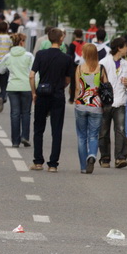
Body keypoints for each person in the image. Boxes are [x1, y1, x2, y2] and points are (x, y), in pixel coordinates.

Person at [29, 28, 73, 172]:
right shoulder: (66, 58)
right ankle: (53, 164)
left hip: (42, 93)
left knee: (38, 128)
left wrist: (34, 92)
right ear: (61, 39)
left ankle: (38, 161)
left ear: (48, 39)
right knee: (56, 129)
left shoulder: (41, 54)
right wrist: (61, 85)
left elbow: (31, 75)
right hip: (58, 95)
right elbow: (68, 79)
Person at [74, 42, 108, 174]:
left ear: (84, 54)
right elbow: (106, 86)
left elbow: (77, 88)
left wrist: (76, 101)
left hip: (82, 104)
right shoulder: (101, 69)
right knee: (93, 135)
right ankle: (92, 155)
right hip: (96, 105)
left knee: (81, 136)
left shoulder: (79, 68)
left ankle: (83, 167)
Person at [99, 36, 127, 169]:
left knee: (120, 130)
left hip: (120, 101)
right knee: (103, 131)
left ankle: (120, 158)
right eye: (126, 46)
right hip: (105, 102)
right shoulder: (103, 62)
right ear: (119, 48)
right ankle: (105, 157)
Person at [0, 33, 34, 148]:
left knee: (14, 113)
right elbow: (34, 72)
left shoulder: (8, 56)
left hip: (13, 86)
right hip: (26, 86)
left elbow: (0, 70)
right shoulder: (29, 55)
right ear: (22, 42)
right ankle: (25, 136)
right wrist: (35, 89)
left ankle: (15, 141)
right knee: (26, 113)